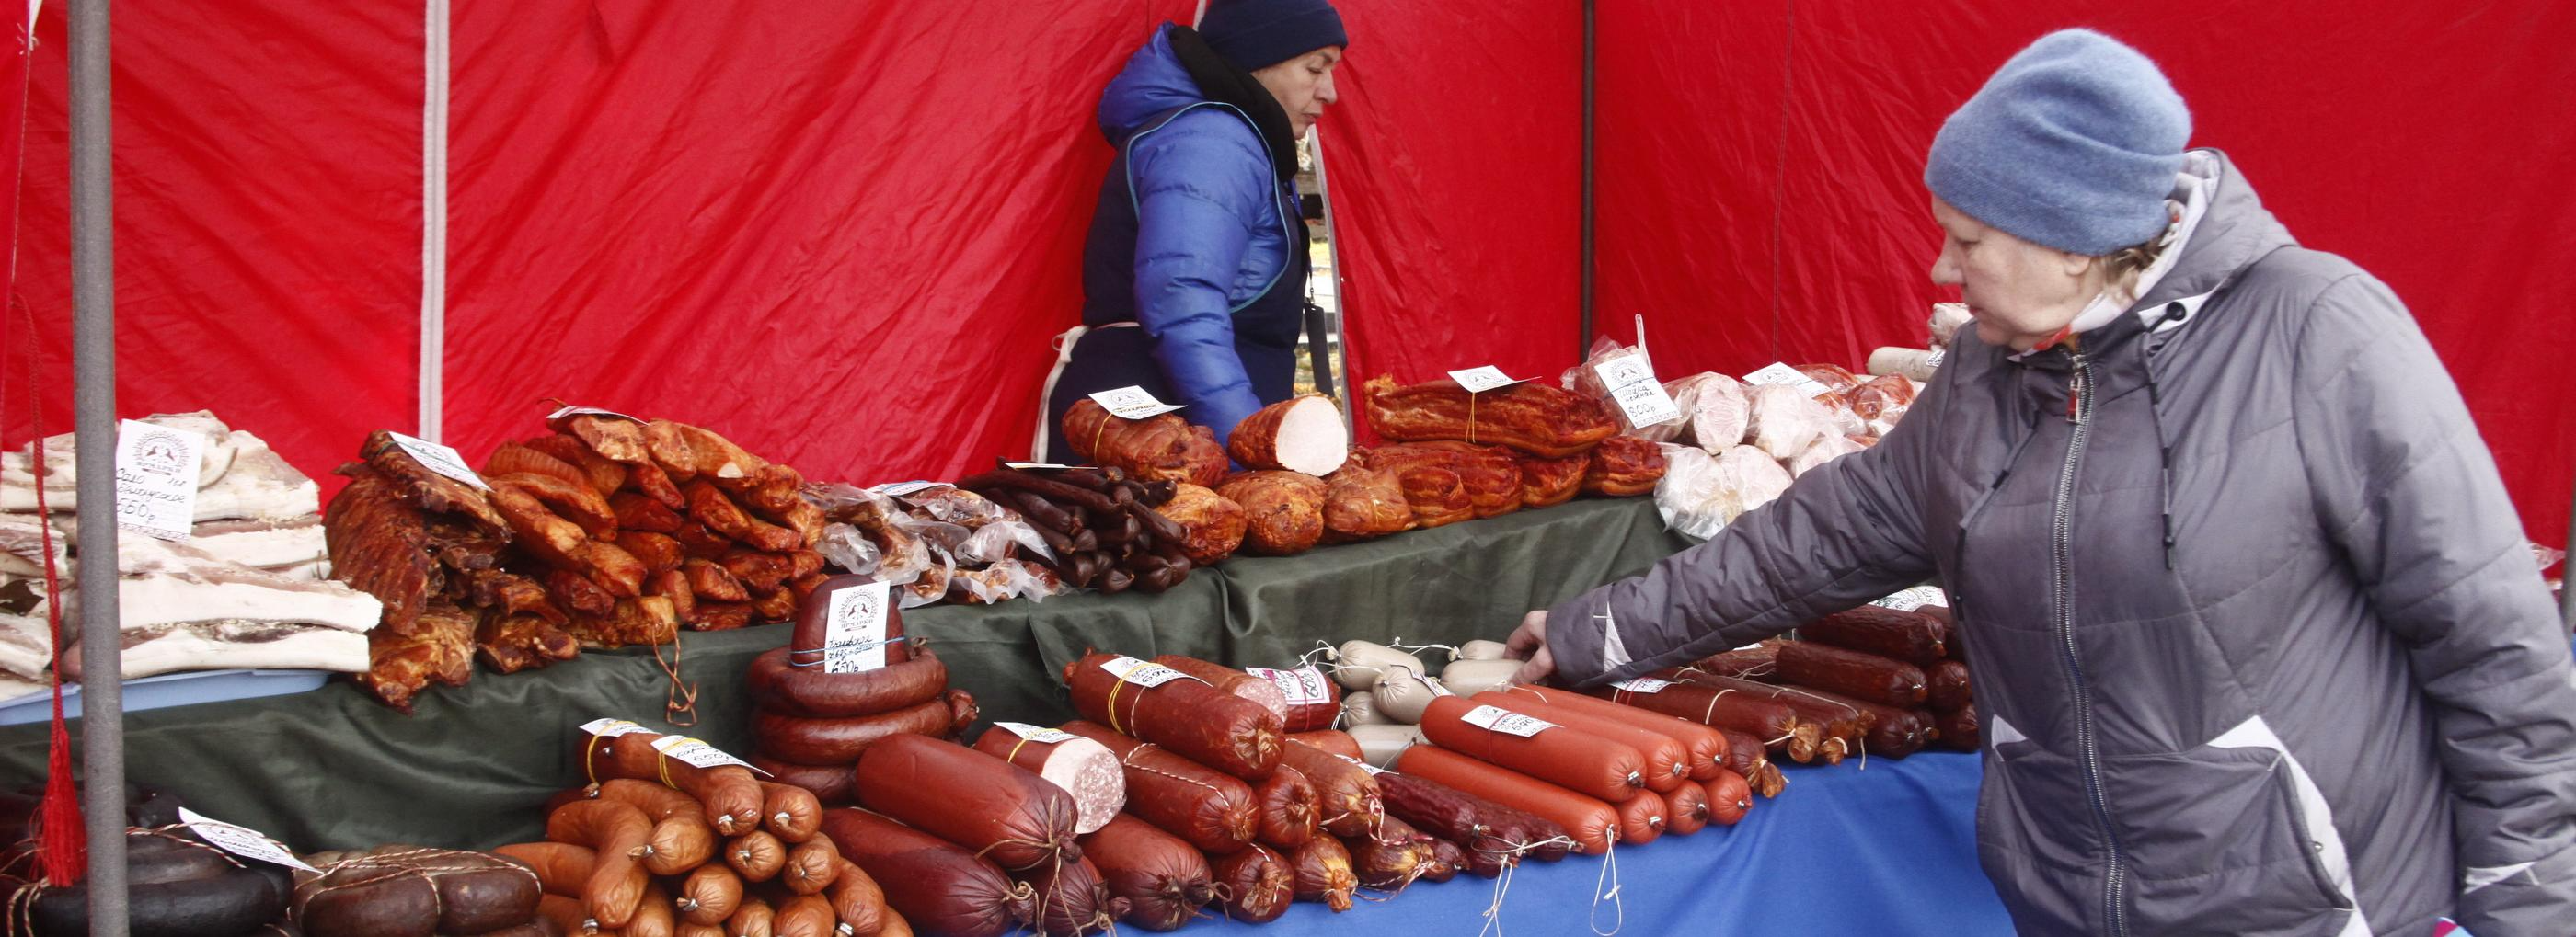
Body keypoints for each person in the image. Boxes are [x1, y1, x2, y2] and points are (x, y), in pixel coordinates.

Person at [1506, 29, 2576, 935]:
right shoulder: (1986, 371)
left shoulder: (2315, 330)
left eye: (1966, 239)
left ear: (2072, 241)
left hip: (2296, 896)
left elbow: (2491, 643)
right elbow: (1823, 535)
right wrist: (1600, 630)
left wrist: (2529, 905)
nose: (1940, 268)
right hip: (2065, 892)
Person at [1034, 0, 1347, 463]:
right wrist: (1246, 448)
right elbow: (1183, 302)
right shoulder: (1212, 142)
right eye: (1314, 68)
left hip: (1178, 434)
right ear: (1258, 61)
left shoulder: (1231, 140)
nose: (1330, 92)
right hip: (1158, 442)